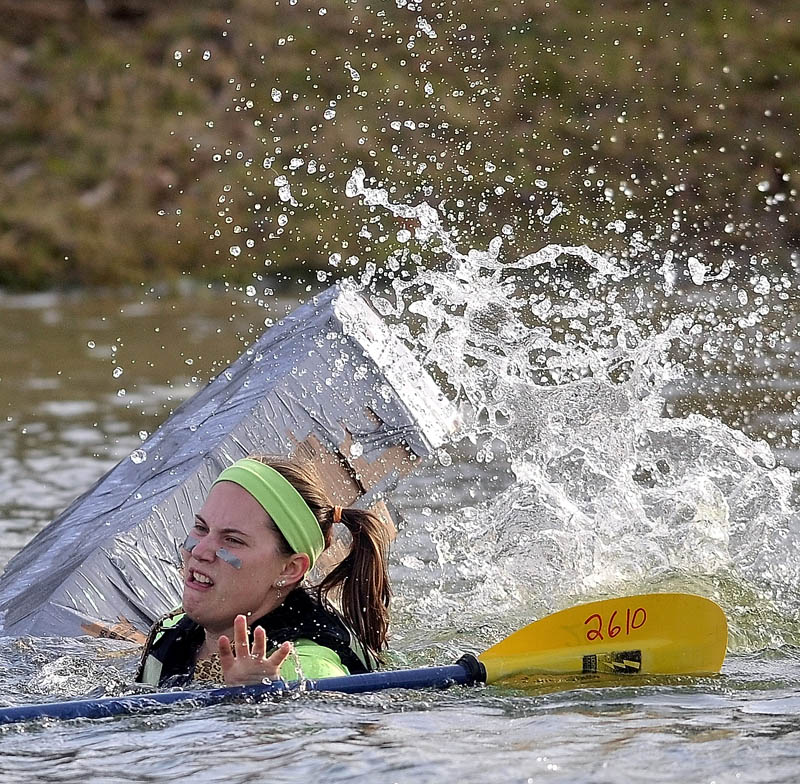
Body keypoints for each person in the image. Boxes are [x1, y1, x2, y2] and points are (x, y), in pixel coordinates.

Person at [136, 456, 392, 687]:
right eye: (201, 528)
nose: (200, 550)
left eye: (233, 540)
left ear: (290, 569)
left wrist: (259, 707)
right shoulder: (170, 633)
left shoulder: (306, 667)